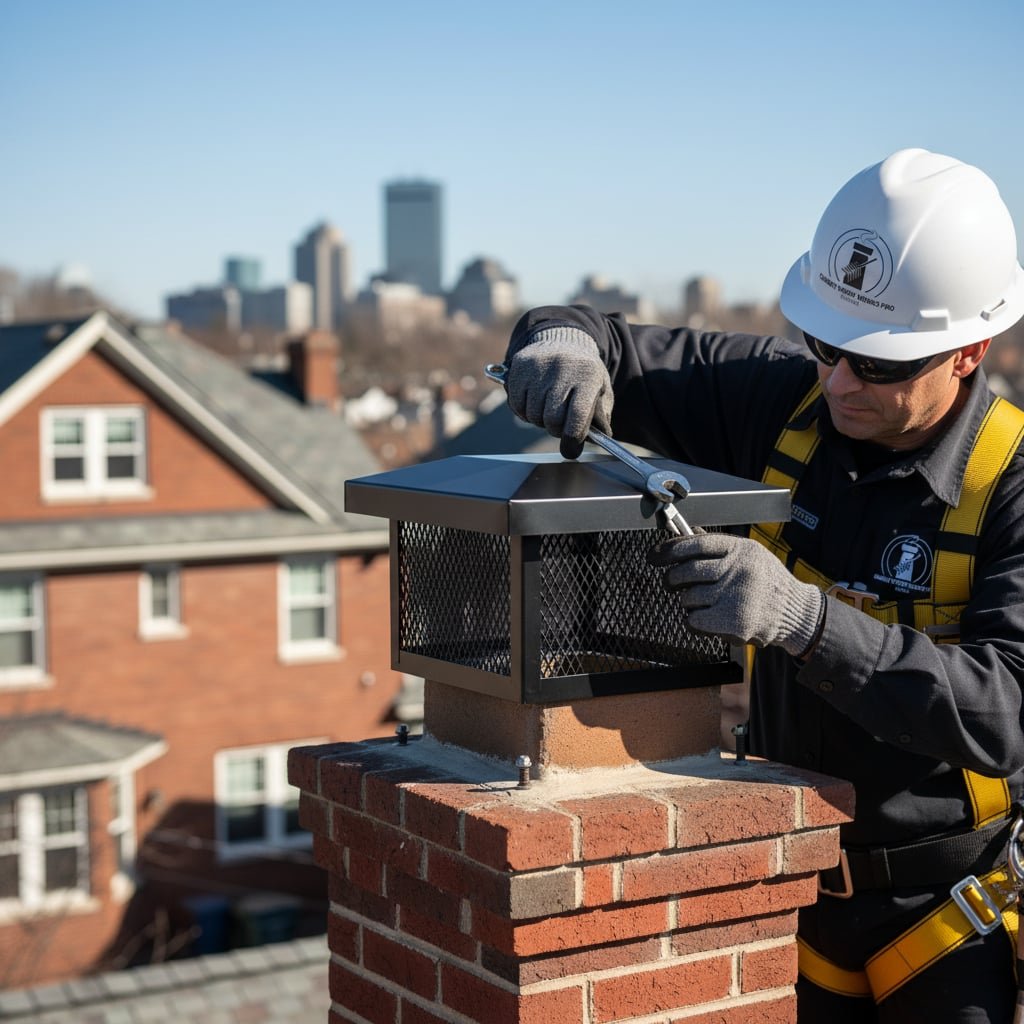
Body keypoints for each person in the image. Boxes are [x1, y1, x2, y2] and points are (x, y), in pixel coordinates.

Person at [502, 148, 1024, 1022]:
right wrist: (560, 347)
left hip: (945, 923)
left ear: (966, 351)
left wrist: (805, 621)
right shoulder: (786, 402)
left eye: (880, 365)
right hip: (792, 894)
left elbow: (1010, 713)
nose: (839, 381)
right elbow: (595, 332)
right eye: (825, 345)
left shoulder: (1008, 484)